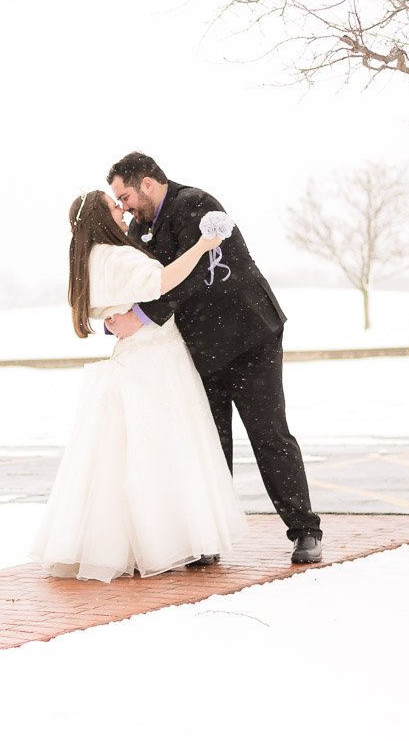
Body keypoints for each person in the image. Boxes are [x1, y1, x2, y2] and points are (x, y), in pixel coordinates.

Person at [105, 151, 322, 564]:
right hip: (200, 348)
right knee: (210, 442)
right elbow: (137, 277)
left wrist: (142, 316)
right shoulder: (139, 226)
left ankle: (305, 530)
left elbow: (195, 270)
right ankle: (209, 538)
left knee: (269, 434)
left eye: (126, 196)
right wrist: (113, 315)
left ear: (147, 184)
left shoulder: (196, 205)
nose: (125, 206)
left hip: (249, 335)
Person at [29, 190, 248, 582]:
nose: (124, 210)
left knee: (128, 457)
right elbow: (162, 282)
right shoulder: (116, 256)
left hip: (132, 356)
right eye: (115, 206)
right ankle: (168, 540)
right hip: (156, 358)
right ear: (100, 216)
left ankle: (133, 542)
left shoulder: (90, 259)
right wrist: (203, 246)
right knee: (165, 452)